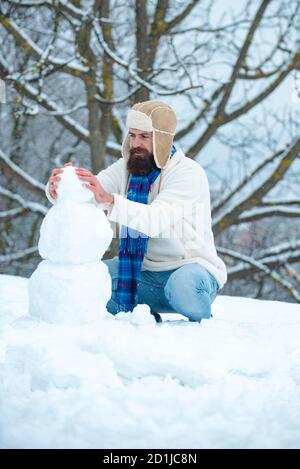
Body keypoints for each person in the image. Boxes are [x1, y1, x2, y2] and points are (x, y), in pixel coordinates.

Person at [47, 100, 227, 323]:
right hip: (143, 273)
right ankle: (144, 315)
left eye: (144, 136)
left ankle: (201, 321)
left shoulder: (188, 173)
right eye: (132, 135)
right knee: (89, 282)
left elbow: (154, 219)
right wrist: (63, 187)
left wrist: (111, 201)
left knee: (183, 286)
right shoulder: (125, 168)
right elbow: (92, 193)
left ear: (162, 138)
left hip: (191, 271)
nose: (135, 143)